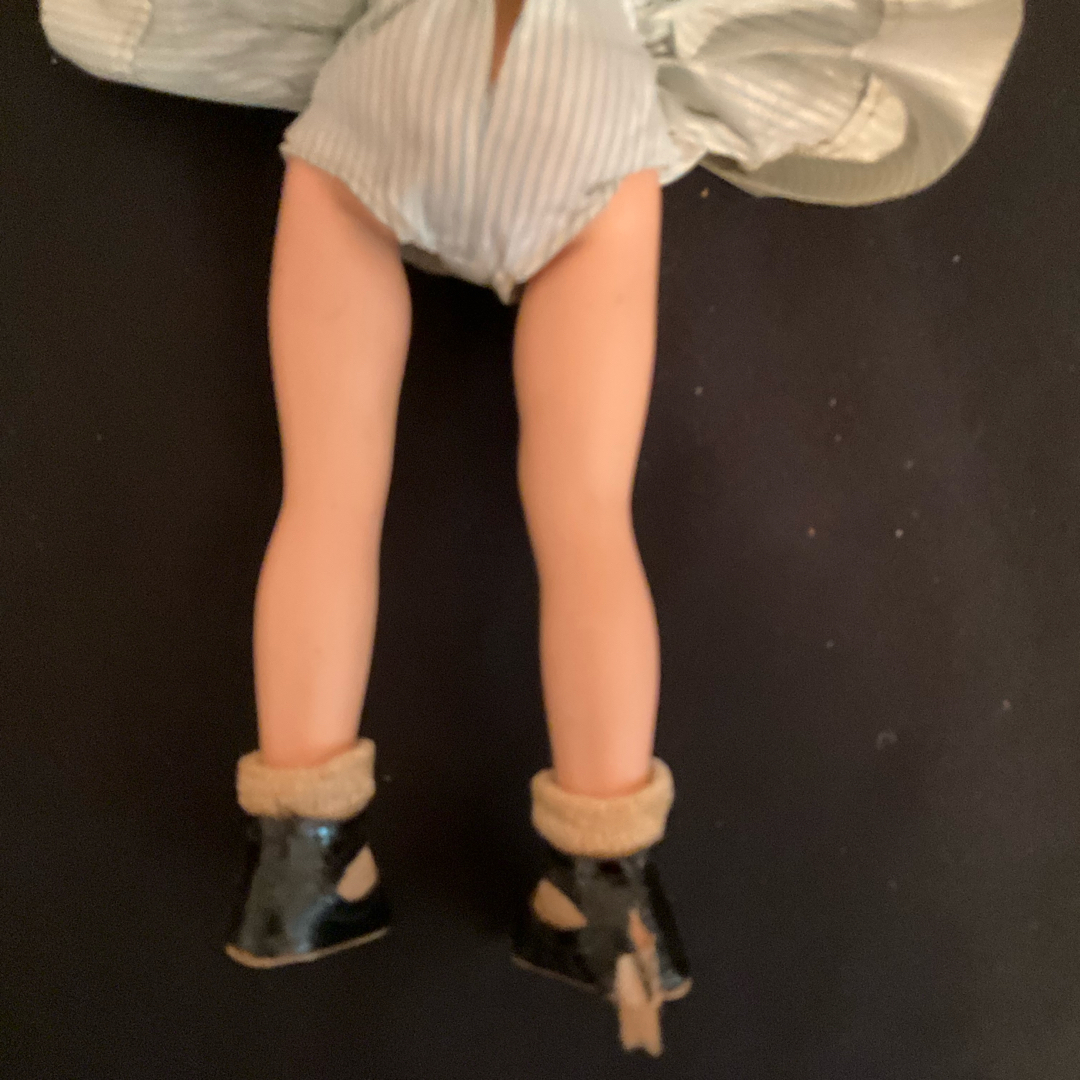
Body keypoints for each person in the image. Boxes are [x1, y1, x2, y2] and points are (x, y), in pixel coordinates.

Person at [40, 0, 1023, 1055]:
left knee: (325, 497)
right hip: (589, 107)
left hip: (387, 89)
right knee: (588, 517)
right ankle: (607, 894)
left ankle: (301, 863)